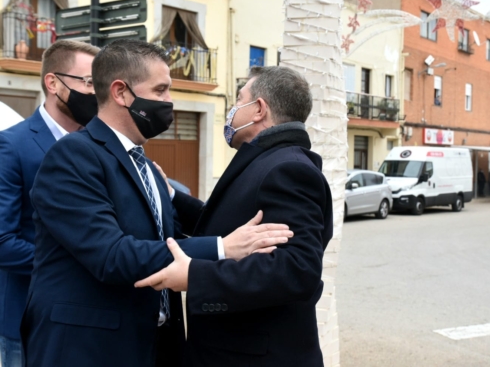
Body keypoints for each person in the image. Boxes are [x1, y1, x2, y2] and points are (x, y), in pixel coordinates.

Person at [21, 40, 292, 367]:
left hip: (152, 345)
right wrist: (222, 248)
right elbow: (111, 255)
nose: (169, 101)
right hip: (88, 348)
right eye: (161, 90)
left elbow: (168, 238)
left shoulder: (147, 167)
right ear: (121, 93)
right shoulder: (72, 156)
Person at [136, 66, 333, 366]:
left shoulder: (287, 168)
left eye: (238, 99)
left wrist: (195, 276)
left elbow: (297, 269)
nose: (231, 110)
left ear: (258, 109)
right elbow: (228, 224)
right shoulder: (268, 160)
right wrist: (172, 196)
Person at [0, 39, 100, 367]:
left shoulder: (101, 144)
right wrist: (83, 263)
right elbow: (3, 242)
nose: (95, 93)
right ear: (53, 82)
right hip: (28, 318)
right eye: (88, 82)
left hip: (94, 320)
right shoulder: (12, 146)